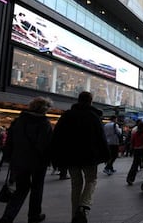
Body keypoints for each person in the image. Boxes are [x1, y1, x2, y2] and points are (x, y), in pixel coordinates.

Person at [50, 91, 110, 223]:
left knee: (76, 184)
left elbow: (57, 137)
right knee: (91, 180)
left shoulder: (67, 115)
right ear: (90, 101)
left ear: (78, 100)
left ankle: (74, 216)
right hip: (89, 157)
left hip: (71, 156)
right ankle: (84, 206)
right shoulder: (93, 117)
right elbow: (101, 138)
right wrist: (106, 155)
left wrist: (55, 156)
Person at [0, 97, 53, 223]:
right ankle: (34, 216)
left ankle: (7, 217)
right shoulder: (44, 123)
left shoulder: (18, 121)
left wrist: (9, 157)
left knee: (21, 189)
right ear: (44, 109)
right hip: (38, 162)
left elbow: (9, 142)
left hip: (19, 160)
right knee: (37, 188)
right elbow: (45, 145)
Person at [126, 121, 143, 185]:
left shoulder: (135, 133)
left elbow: (132, 142)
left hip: (136, 150)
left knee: (135, 164)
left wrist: (133, 149)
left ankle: (130, 178)